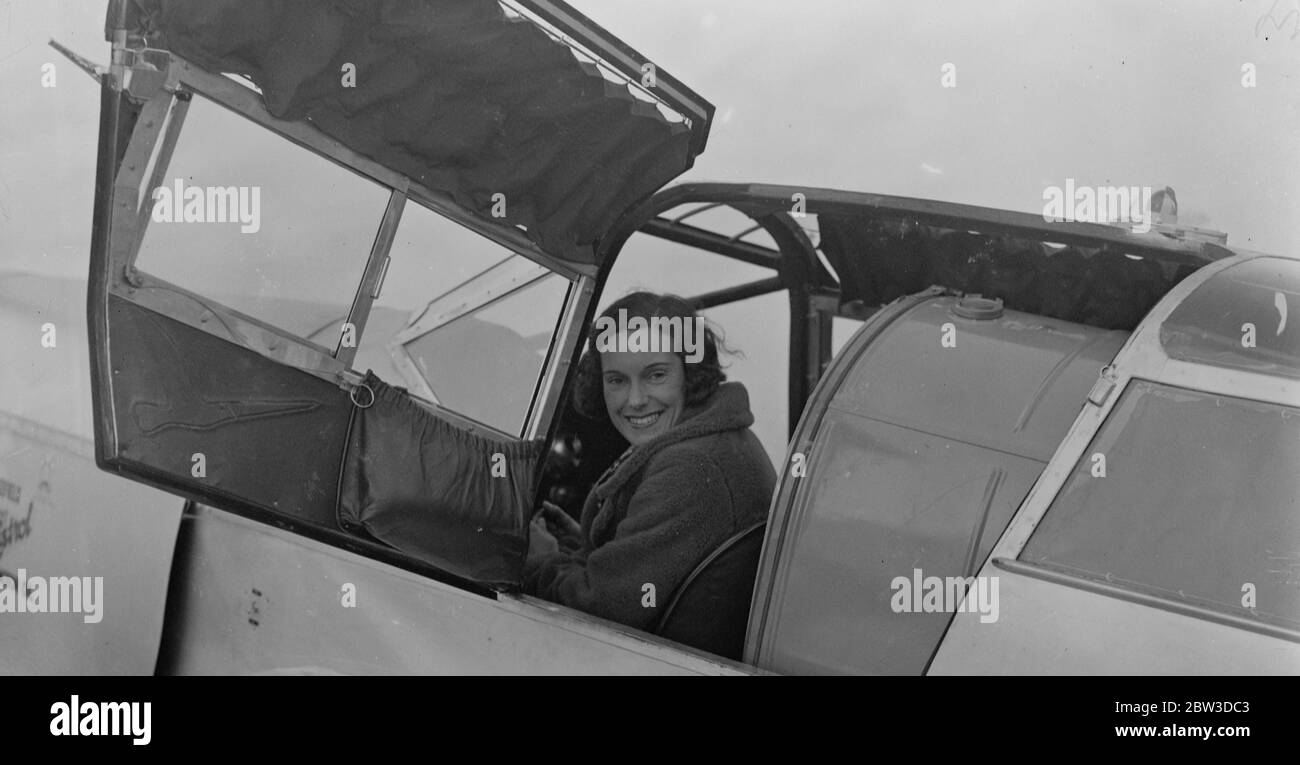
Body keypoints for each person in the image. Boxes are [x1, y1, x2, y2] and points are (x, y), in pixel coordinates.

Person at [523, 292, 776, 635]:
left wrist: (539, 560)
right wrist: (581, 543)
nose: (636, 400)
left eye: (655, 375)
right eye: (617, 380)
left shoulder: (691, 466)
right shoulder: (713, 440)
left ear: (690, 371)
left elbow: (602, 607)